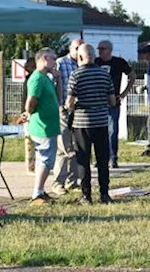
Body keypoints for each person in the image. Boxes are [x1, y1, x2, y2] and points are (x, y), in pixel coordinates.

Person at [65, 43, 113, 204]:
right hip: (101, 121)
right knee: (102, 159)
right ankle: (104, 194)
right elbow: (112, 100)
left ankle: (86, 195)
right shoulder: (104, 74)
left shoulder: (76, 75)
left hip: (82, 123)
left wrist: (71, 105)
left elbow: (70, 103)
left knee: (83, 160)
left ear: (79, 57)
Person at [17, 48, 59, 204]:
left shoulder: (46, 77)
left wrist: (58, 79)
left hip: (49, 125)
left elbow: (57, 97)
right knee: (45, 160)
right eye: (53, 59)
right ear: (44, 58)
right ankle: (37, 193)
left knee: (46, 160)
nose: (55, 62)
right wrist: (29, 112)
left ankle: (40, 190)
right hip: (43, 126)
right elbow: (31, 100)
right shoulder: (37, 78)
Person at [94, 40, 134, 169]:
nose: (100, 51)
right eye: (99, 49)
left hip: (113, 102)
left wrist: (123, 93)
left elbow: (132, 75)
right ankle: (100, 158)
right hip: (98, 102)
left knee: (112, 131)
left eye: (103, 48)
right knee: (99, 132)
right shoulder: (95, 62)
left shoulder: (119, 62)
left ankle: (113, 158)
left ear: (110, 50)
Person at [52, 38, 83, 191]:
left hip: (79, 111)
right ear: (71, 48)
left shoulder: (83, 64)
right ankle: (58, 183)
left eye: (81, 48)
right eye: (76, 48)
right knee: (64, 148)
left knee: (76, 147)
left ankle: (72, 181)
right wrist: (58, 106)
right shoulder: (60, 63)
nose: (78, 51)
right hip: (63, 110)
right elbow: (52, 85)